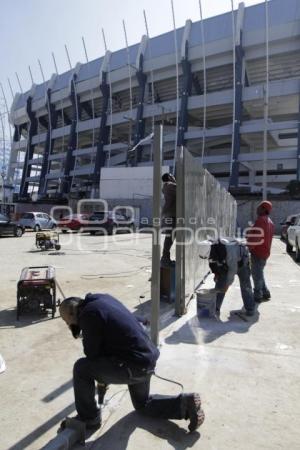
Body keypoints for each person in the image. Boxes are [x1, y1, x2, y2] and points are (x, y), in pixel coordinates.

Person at [59, 293, 205, 432]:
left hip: (133, 365)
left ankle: (89, 418)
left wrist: (101, 363)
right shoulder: (100, 299)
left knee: (81, 368)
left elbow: (91, 354)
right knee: (142, 405)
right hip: (146, 358)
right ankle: (186, 404)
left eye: (67, 321)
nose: (69, 325)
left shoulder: (88, 315)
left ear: (72, 314)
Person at [208, 239, 255, 317]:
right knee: (220, 283)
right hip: (229, 263)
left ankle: (250, 309)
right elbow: (214, 263)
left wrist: (227, 285)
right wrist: (217, 274)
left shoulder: (229, 251)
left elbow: (232, 270)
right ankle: (215, 308)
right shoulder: (213, 250)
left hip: (242, 262)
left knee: (245, 285)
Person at [246, 201, 274, 302]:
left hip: (258, 252)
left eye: (259, 207)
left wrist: (248, 247)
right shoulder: (269, 221)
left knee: (256, 274)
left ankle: (258, 295)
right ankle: (265, 292)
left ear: (263, 209)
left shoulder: (260, 221)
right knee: (259, 272)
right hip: (265, 251)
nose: (257, 209)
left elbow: (257, 238)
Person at [161, 173, 176, 267]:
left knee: (170, 237)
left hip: (171, 215)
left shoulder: (167, 187)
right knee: (170, 237)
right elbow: (182, 190)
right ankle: (165, 258)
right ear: (170, 177)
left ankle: (165, 258)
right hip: (172, 215)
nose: (174, 177)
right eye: (172, 176)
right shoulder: (170, 185)